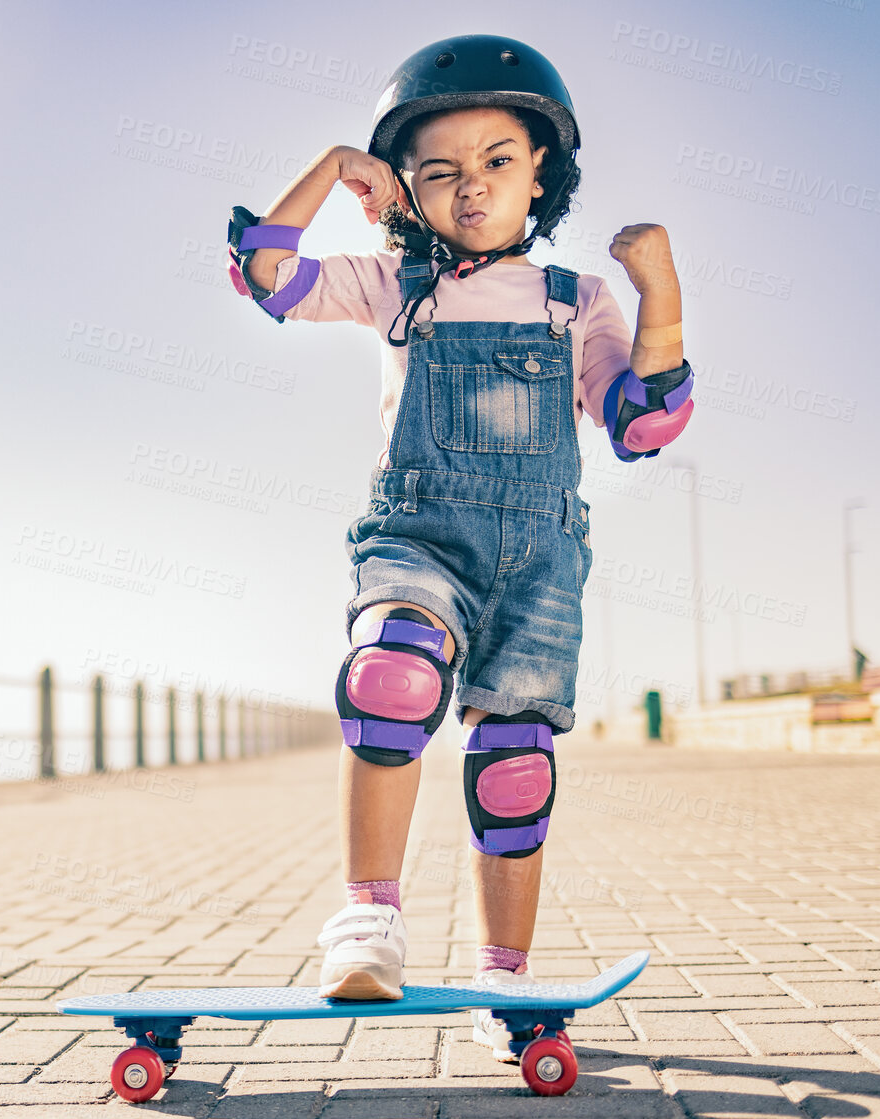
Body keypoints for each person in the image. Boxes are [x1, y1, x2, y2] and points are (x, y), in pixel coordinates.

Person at [225, 34, 693, 1056]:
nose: (470, 187)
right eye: (438, 172)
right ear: (407, 189)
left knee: (512, 769)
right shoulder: (397, 284)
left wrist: (663, 294)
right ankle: (368, 920)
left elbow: (641, 421)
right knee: (390, 679)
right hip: (420, 535)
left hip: (540, 562)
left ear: (541, 175)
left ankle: (504, 983)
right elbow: (264, 272)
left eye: (496, 162)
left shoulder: (577, 302)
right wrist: (334, 166)